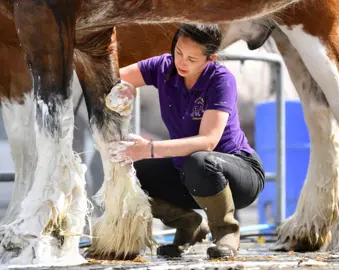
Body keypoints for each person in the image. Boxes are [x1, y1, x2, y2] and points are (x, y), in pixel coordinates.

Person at [107, 24, 265, 259]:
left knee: (200, 161)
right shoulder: (162, 66)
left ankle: (226, 233)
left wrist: (149, 149)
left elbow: (208, 142)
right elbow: (113, 76)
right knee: (133, 173)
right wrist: (125, 86)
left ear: (210, 58)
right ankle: (188, 224)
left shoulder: (221, 80)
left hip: (238, 175)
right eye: (178, 52)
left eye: (192, 58)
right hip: (189, 171)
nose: (182, 62)